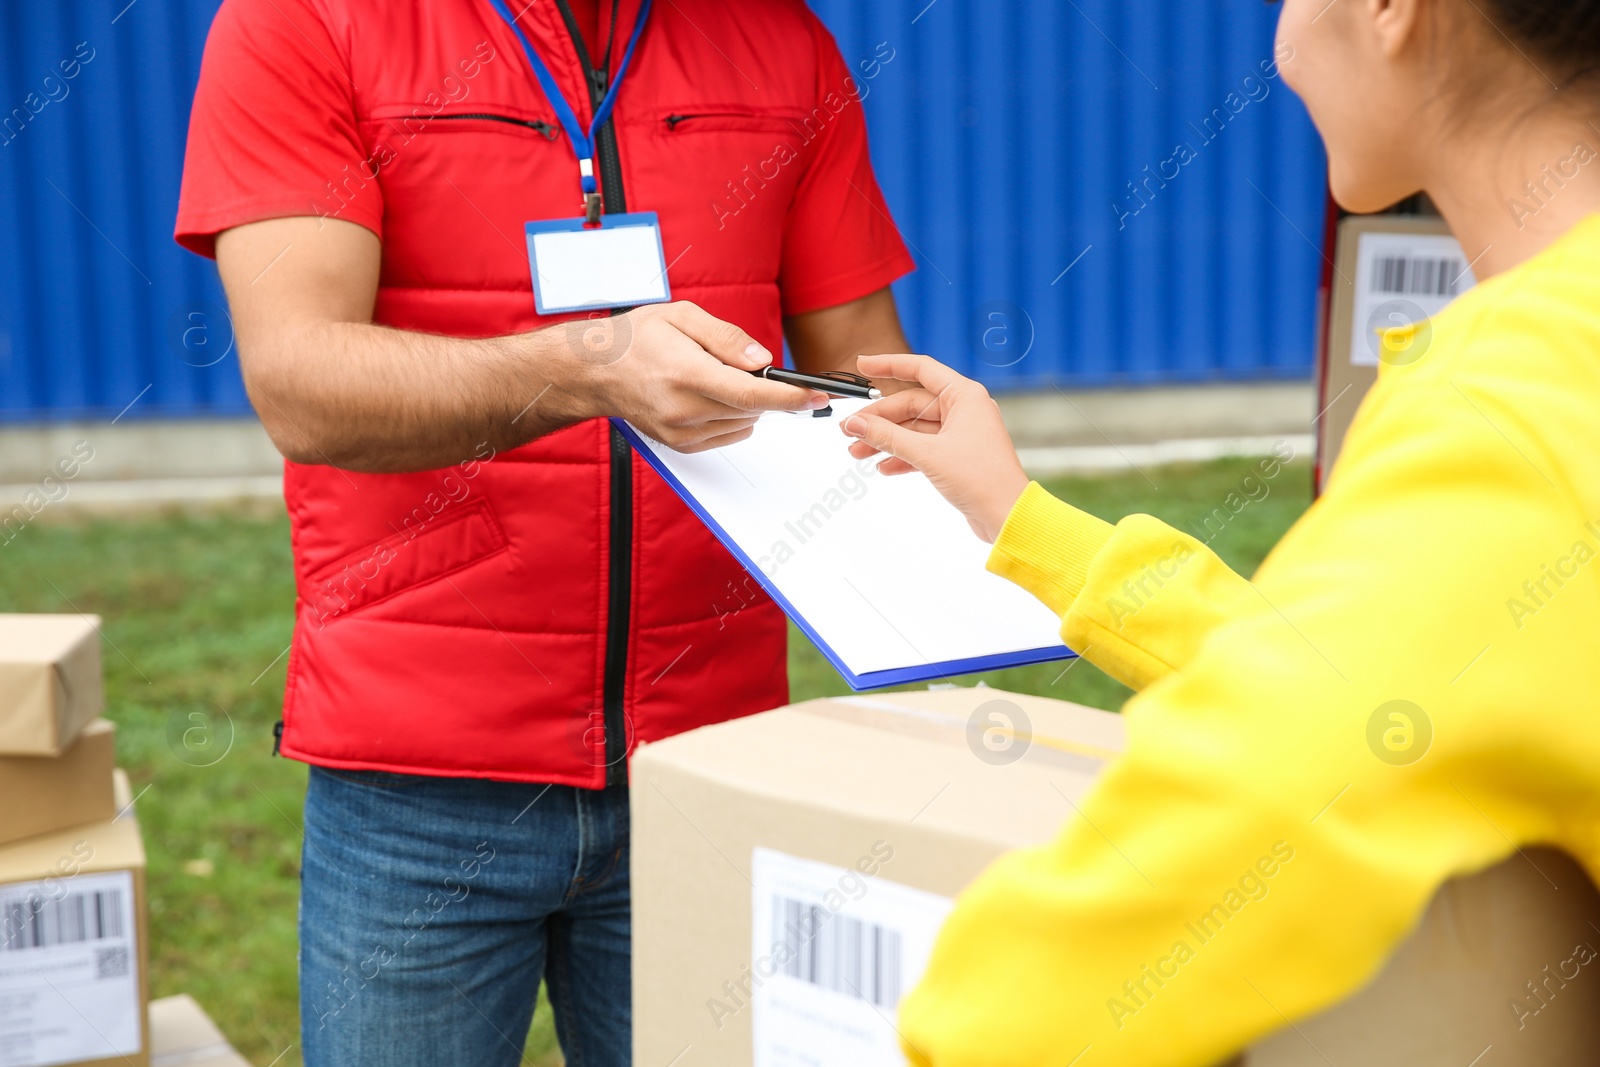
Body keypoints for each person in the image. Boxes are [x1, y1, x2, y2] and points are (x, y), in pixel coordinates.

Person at [839, 0, 1600, 1062]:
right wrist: (1021, 515)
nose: (1280, 40)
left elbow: (1261, 810)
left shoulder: (1525, 393)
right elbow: (1391, 680)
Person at [173, 0, 914, 1062]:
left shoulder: (784, 40)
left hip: (707, 757)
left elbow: (858, 372)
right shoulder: (306, 23)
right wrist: (585, 368)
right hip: (419, 778)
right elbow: (303, 384)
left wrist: (936, 448)